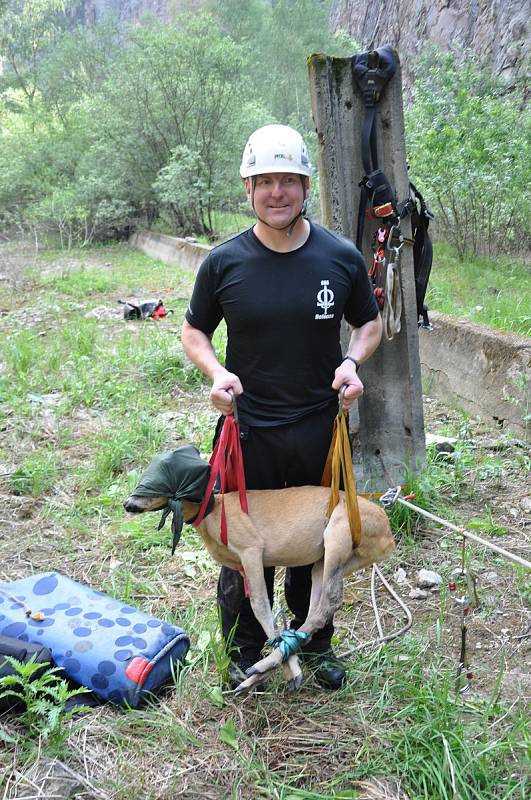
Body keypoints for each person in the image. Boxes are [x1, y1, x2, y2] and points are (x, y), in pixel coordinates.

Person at [181, 124, 382, 689]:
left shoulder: (339, 256)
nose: (277, 192)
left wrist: (353, 362)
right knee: (241, 542)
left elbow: (369, 322)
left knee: (317, 543)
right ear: (248, 188)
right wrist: (218, 372)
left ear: (304, 187)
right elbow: (193, 332)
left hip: (319, 427)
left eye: (288, 181)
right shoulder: (223, 263)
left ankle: (313, 641)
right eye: (264, 181)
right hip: (248, 432)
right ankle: (246, 648)